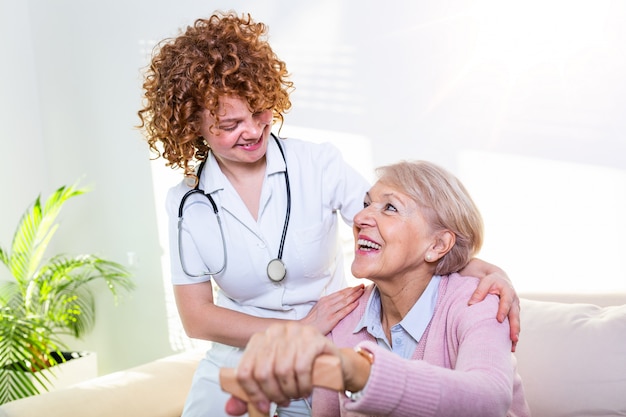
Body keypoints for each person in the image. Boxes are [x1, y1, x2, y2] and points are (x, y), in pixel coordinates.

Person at [137, 11, 521, 417]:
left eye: (260, 112)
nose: (252, 130)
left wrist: (481, 268)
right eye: (230, 123)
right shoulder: (188, 204)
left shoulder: (317, 165)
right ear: (192, 124)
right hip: (241, 361)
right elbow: (197, 317)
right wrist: (300, 330)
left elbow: (396, 226)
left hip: (325, 351)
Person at [227, 160, 530, 417]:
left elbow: (489, 399)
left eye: (389, 207)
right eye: (365, 204)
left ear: (437, 244)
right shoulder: (343, 319)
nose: (359, 218)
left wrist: (357, 371)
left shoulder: (480, 302)